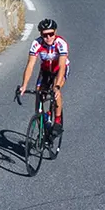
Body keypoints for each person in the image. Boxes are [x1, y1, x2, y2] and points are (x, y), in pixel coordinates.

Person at [16, 18, 68, 151]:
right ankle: (44, 120)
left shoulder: (61, 43)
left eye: (51, 34)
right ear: (40, 34)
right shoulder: (36, 44)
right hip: (45, 71)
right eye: (45, 35)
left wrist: (57, 87)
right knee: (39, 95)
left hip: (59, 71)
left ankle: (56, 121)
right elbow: (30, 65)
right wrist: (24, 85)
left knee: (56, 92)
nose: (48, 37)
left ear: (55, 32)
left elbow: (62, 66)